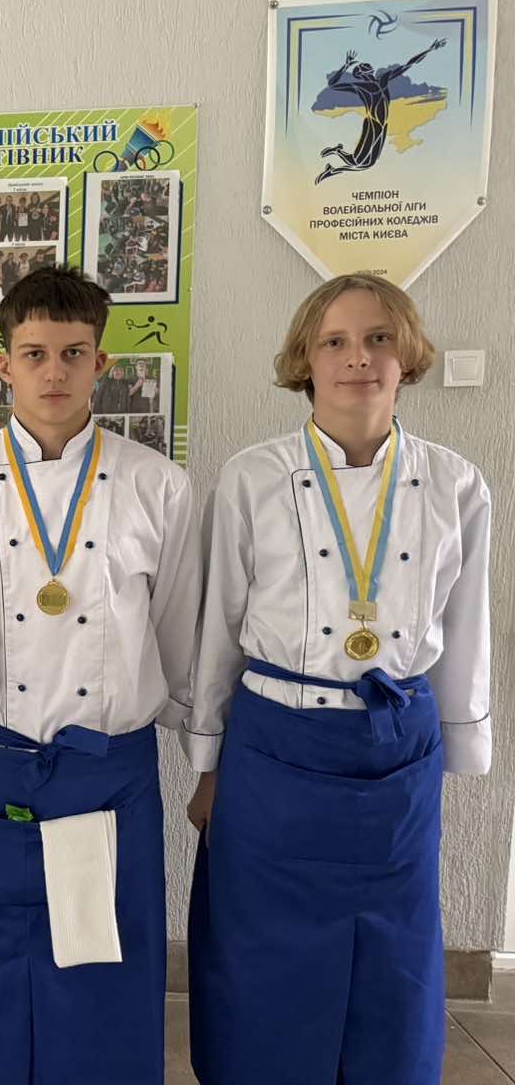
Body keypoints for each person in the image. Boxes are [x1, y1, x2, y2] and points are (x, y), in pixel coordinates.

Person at [185, 273, 490, 1085]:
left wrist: (457, 754)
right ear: (306, 360)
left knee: (394, 957)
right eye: (336, 341)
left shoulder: (457, 484)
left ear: (407, 356)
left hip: (397, 746)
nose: (358, 358)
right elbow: (218, 630)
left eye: (378, 338)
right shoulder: (251, 478)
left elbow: (465, 629)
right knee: (261, 957)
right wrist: (207, 764)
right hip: (273, 745)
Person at [0, 265, 202, 1084]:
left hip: (107, 767)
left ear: (100, 363)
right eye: (35, 354)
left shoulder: (158, 485)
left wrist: (204, 755)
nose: (54, 372)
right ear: (3, 365)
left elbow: (176, 630)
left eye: (74, 353)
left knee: (103, 963)